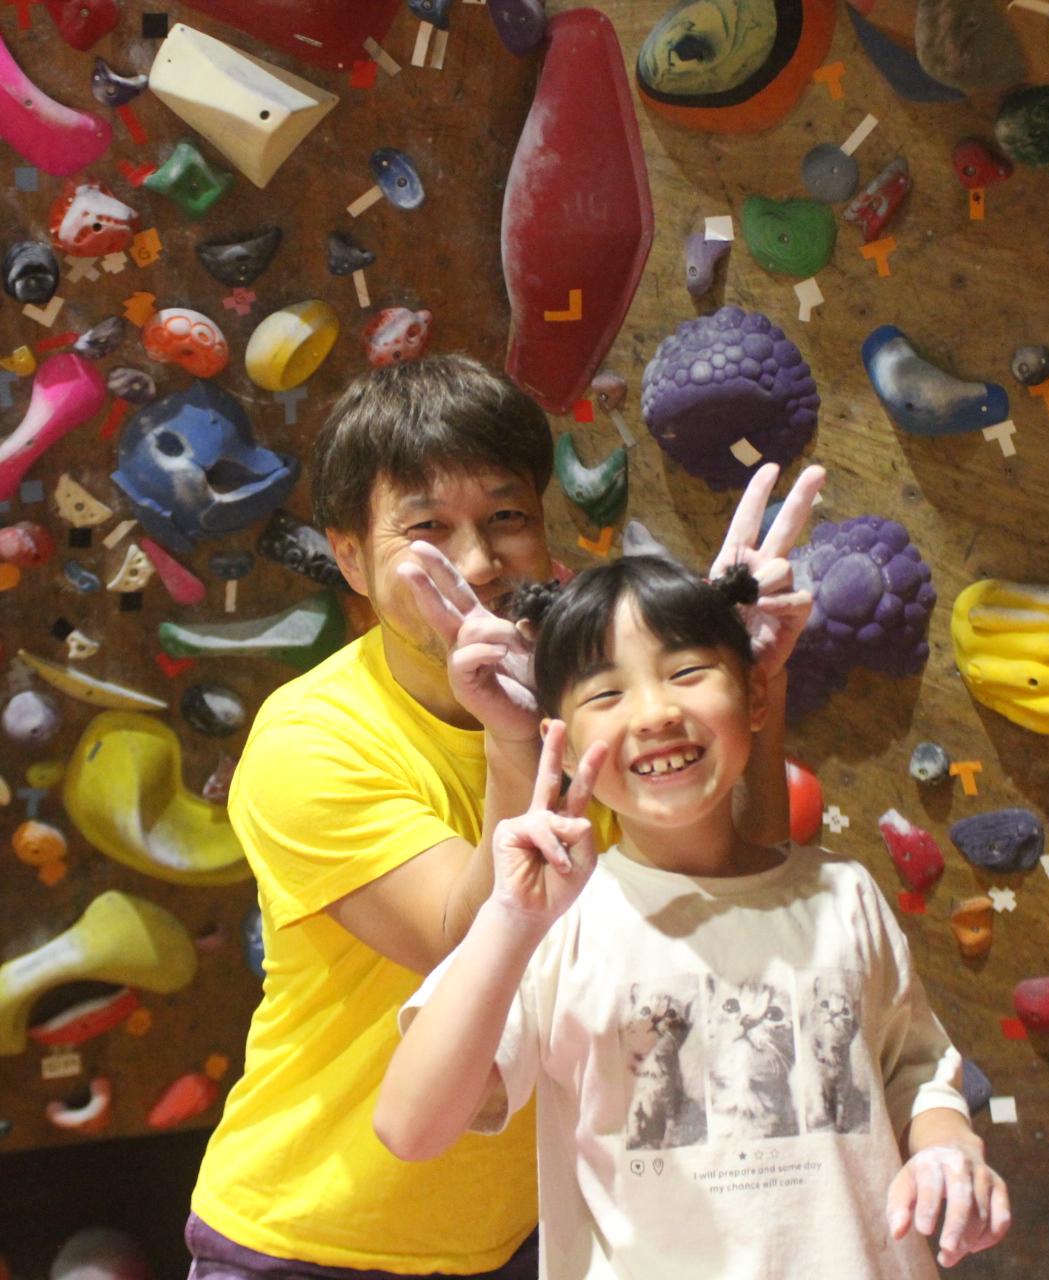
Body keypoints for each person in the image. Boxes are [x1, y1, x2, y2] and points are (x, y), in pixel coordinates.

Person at [187, 355, 819, 1279]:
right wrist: (513, 737)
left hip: (537, 1232)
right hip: (315, 1237)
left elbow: (742, 871)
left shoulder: (601, 691)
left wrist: (752, 681)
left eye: (507, 518)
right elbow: (466, 950)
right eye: (428, 529)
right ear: (349, 556)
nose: (480, 563)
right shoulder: (308, 743)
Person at [373, 553, 1011, 1280]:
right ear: (562, 740)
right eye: (606, 692)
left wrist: (947, 1146)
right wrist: (511, 920)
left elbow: (914, 1072)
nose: (655, 713)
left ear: (756, 696)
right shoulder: (554, 920)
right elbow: (410, 1126)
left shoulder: (845, 893)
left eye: (686, 673)